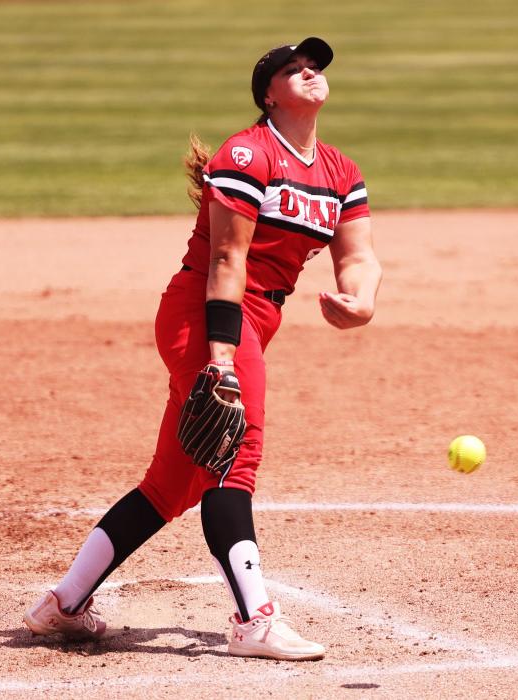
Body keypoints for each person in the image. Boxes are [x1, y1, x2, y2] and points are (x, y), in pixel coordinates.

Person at [22, 37, 381, 661]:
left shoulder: (339, 172)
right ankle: (255, 622)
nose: (310, 74)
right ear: (268, 93)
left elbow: (359, 256)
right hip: (208, 312)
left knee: (172, 483)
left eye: (315, 67)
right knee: (236, 453)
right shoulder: (247, 153)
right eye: (293, 69)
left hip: (259, 317)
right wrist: (219, 357)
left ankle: (62, 605)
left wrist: (362, 299)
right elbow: (224, 258)